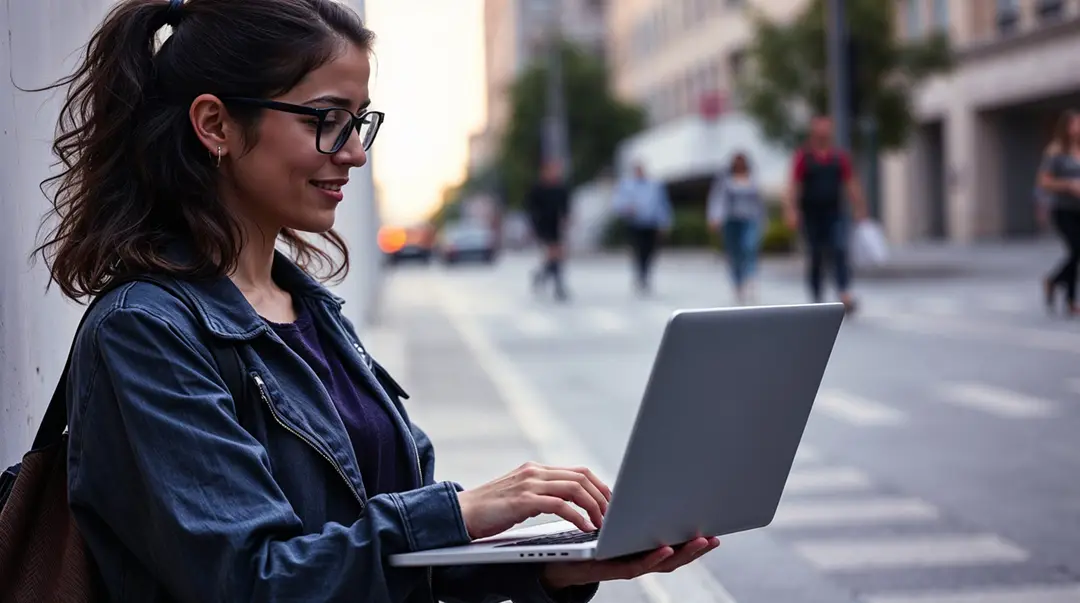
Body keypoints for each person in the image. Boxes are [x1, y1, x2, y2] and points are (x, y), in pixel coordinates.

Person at [32, 1, 719, 601]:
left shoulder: (309, 310)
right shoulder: (144, 335)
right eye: (328, 120)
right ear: (215, 125)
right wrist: (458, 511)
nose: (354, 153)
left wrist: (547, 568)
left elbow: (378, 561)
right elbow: (252, 581)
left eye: (361, 121)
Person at [783, 115, 869, 313]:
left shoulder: (839, 157)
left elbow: (850, 183)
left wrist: (859, 206)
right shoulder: (804, 158)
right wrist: (791, 210)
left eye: (826, 129)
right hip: (811, 214)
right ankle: (816, 294)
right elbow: (794, 185)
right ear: (813, 132)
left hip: (835, 212)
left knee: (839, 249)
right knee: (815, 255)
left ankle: (843, 291)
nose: (823, 132)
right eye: (819, 129)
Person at [708, 153, 766, 305]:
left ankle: (750, 277)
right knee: (734, 254)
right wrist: (715, 217)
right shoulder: (725, 180)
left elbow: (759, 202)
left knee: (749, 247)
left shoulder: (752, 179)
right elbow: (717, 199)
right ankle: (737, 283)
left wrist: (763, 221)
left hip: (750, 219)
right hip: (731, 220)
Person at [1038, 109, 1080, 316]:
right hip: (1063, 210)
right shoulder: (1056, 151)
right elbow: (1044, 181)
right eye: (1075, 124)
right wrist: (1069, 185)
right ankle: (1063, 292)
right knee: (1076, 250)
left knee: (1076, 254)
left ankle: (1058, 286)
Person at [612, 161, 673, 295]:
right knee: (637, 250)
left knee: (650, 251)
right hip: (634, 223)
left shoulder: (654, 185)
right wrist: (627, 209)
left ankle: (645, 273)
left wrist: (665, 222)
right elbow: (617, 204)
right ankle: (640, 274)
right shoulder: (626, 185)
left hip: (651, 223)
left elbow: (662, 204)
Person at [527, 160, 571, 301]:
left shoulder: (560, 188)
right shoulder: (538, 189)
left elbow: (565, 207)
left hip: (556, 225)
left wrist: (566, 219)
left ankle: (540, 276)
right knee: (554, 254)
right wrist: (534, 227)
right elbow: (532, 209)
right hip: (543, 225)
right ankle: (559, 287)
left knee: (557, 256)